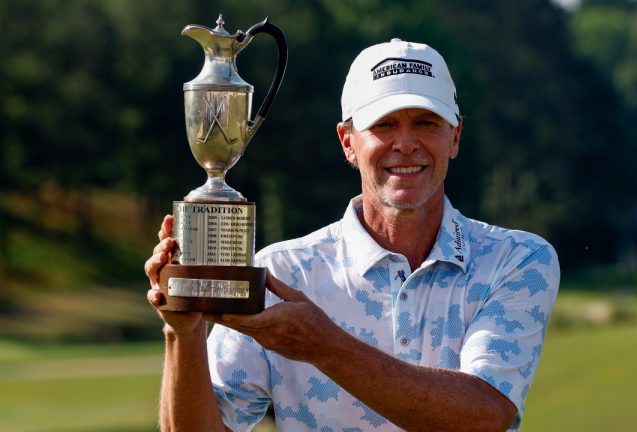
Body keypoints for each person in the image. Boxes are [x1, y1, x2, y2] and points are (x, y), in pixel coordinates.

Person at [145, 38, 559, 432]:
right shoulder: (282, 272)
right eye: (384, 124)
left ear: (455, 136)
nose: (406, 143)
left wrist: (322, 345)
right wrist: (183, 333)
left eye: (426, 122)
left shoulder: (516, 260)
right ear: (348, 142)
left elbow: (484, 418)